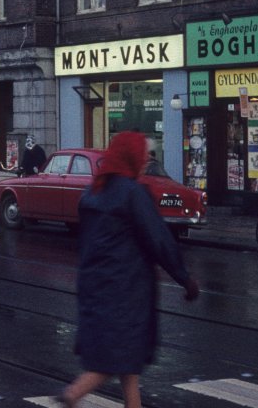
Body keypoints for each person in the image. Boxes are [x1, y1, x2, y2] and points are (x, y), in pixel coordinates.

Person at [58, 130, 199, 408]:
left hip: (95, 284)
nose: (147, 160)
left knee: (127, 361)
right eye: (143, 155)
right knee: (116, 357)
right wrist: (184, 278)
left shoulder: (93, 191)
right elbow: (158, 239)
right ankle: (72, 394)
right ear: (131, 156)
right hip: (126, 289)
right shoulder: (132, 193)